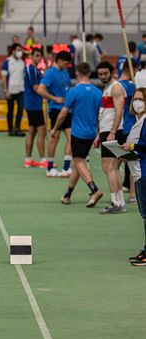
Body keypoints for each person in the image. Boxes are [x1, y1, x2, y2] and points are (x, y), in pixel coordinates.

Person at [51, 62, 103, 207]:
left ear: (76, 73)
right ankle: (68, 194)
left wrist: (55, 129)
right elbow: (101, 114)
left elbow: (62, 114)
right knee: (77, 164)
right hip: (92, 133)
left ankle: (95, 190)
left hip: (79, 133)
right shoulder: (98, 92)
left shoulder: (73, 91)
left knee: (79, 162)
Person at [95, 61, 127, 214]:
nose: (102, 77)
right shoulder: (107, 88)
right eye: (100, 74)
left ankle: (116, 202)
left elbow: (119, 111)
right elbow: (104, 113)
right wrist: (98, 134)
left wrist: (113, 132)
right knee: (111, 167)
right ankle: (119, 201)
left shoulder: (116, 87)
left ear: (112, 72)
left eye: (105, 74)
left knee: (108, 167)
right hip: (106, 131)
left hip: (112, 131)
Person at [120, 87, 146, 265]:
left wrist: (131, 148)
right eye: (135, 99)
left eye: (141, 99)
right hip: (138, 172)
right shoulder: (138, 121)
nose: (137, 102)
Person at [37, 50, 73, 177]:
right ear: (60, 61)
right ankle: (50, 168)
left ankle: (66, 168)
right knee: (54, 138)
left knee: (71, 137)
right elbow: (40, 90)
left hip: (68, 109)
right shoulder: (50, 73)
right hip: (56, 110)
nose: (67, 66)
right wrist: (54, 98)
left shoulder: (65, 71)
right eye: (66, 63)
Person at [23, 47, 47, 168]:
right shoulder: (31, 69)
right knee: (42, 131)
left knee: (32, 131)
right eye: (36, 55)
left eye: (40, 56)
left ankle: (28, 159)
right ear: (32, 56)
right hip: (33, 105)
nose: (38, 58)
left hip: (34, 104)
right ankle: (43, 160)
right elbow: (36, 88)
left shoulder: (36, 70)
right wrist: (50, 96)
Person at [119, 60, 138, 203]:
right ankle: (132, 195)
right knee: (132, 162)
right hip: (129, 128)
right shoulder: (131, 87)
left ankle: (117, 195)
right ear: (133, 69)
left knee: (114, 164)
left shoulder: (115, 85)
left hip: (118, 128)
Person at [1, 43, 26, 137]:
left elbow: (24, 76)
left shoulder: (22, 62)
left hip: (21, 89)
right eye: (18, 50)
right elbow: (3, 78)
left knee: (21, 109)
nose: (20, 52)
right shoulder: (7, 62)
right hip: (10, 90)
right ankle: (10, 129)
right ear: (13, 51)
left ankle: (17, 128)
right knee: (10, 111)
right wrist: (6, 90)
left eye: (21, 50)